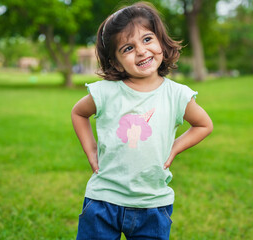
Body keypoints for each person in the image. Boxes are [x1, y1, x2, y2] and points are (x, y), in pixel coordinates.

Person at [71, 2, 213, 239]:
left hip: (152, 203)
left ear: (161, 41)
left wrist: (175, 147)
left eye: (147, 39)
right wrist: (91, 149)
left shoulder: (177, 94)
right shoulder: (106, 92)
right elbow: (78, 113)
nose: (141, 50)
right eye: (128, 48)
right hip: (103, 199)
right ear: (115, 62)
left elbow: (204, 125)